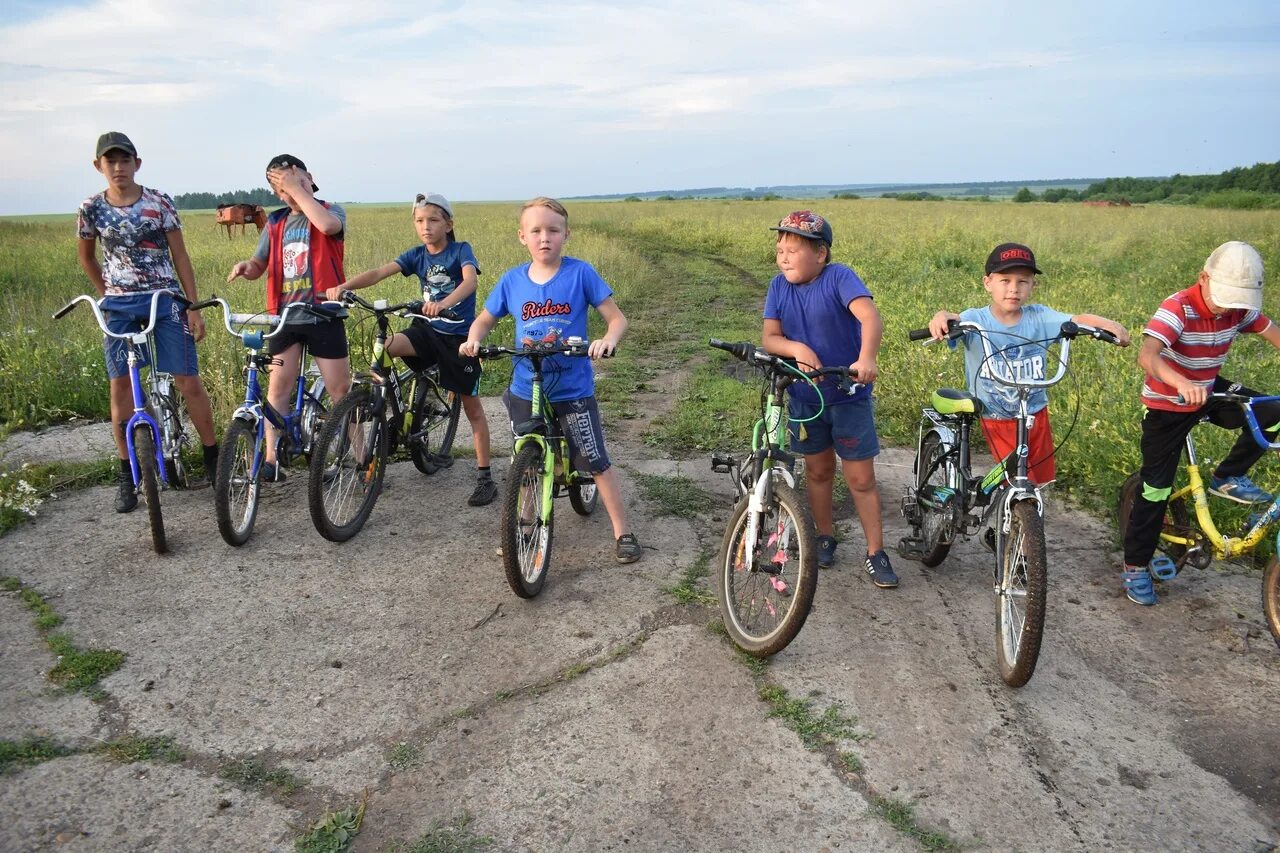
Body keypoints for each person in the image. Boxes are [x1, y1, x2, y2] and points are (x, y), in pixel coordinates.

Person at [460, 197, 641, 563]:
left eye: (553, 231)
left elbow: (616, 319)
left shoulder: (580, 274)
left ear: (566, 235)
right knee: (523, 461)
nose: (545, 238)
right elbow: (484, 319)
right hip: (526, 385)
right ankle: (524, 526)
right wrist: (474, 338)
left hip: (572, 387)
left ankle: (622, 531)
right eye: (536, 231)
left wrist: (608, 340)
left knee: (594, 459)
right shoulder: (512, 281)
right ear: (522, 237)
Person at [1120, 241, 1280, 605]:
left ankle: (1227, 477)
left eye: (1238, 301)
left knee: (1272, 412)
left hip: (1209, 390)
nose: (1229, 307)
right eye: (1224, 297)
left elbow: (1273, 332)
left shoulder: (1239, 311)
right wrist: (1181, 383)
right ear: (1203, 278)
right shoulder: (1178, 307)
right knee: (1156, 488)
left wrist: (1199, 387)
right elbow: (1147, 355)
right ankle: (1134, 565)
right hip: (1168, 402)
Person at [76, 131, 220, 513]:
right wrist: (107, 292)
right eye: (111, 162)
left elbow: (181, 256)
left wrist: (192, 305)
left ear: (137, 164)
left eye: (125, 161)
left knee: (188, 380)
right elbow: (87, 257)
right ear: (99, 167)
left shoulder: (159, 202)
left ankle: (212, 458)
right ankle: (127, 473)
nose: (119, 168)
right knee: (121, 387)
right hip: (119, 306)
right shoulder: (91, 208)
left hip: (165, 299)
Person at [327, 193, 496, 506]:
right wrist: (346, 286)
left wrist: (443, 304)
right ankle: (386, 405)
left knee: (473, 409)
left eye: (433, 220)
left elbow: (470, 282)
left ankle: (485, 477)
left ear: (448, 223)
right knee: (386, 346)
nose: (426, 227)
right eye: (420, 221)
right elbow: (379, 272)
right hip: (426, 330)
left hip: (457, 338)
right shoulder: (417, 255)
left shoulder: (461, 250)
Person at [761, 210, 896, 587]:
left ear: (820, 254)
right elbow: (770, 338)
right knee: (818, 471)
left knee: (861, 478)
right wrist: (796, 347)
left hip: (847, 396)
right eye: (780, 249)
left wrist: (866, 358)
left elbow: (870, 318)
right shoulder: (778, 287)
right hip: (804, 396)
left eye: (793, 249)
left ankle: (875, 552)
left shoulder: (839, 277)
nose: (784, 257)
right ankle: (824, 535)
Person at [927, 242, 1130, 491]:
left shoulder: (1039, 317)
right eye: (1005, 280)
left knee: (1038, 482)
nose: (1014, 289)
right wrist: (940, 317)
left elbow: (1075, 319)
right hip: (997, 416)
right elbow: (953, 318)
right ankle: (1016, 521)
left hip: (1035, 414)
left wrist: (1109, 326)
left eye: (1023, 281)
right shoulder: (976, 319)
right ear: (987, 283)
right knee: (1019, 482)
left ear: (1033, 285)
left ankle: (1024, 524)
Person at [226, 154, 351, 481]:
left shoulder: (330, 210)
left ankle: (360, 453)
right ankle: (272, 459)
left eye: (293, 182)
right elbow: (259, 265)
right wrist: (246, 268)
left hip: (324, 314)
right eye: (280, 189)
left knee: (340, 389)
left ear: (309, 177)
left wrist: (300, 191)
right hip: (285, 317)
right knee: (278, 388)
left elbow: (326, 226)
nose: (289, 194)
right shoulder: (275, 223)